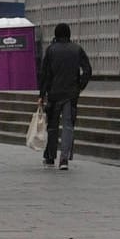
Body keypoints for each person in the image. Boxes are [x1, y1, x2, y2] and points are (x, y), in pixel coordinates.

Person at [37, 23, 93, 170]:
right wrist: (79, 86)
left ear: (56, 34)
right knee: (68, 126)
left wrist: (42, 94)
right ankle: (64, 159)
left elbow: (44, 74)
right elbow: (87, 70)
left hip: (54, 94)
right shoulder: (77, 49)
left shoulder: (50, 50)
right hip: (70, 94)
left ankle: (50, 157)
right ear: (69, 34)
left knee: (53, 127)